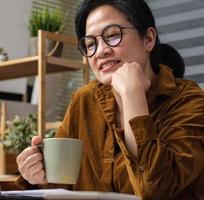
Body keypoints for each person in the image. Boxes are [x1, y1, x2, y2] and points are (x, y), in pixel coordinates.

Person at [15, 0, 204, 199]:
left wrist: (132, 96)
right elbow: (63, 185)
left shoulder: (190, 101)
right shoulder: (85, 99)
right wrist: (39, 176)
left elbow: (156, 191)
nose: (101, 51)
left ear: (148, 38)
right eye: (90, 44)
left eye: (113, 35)